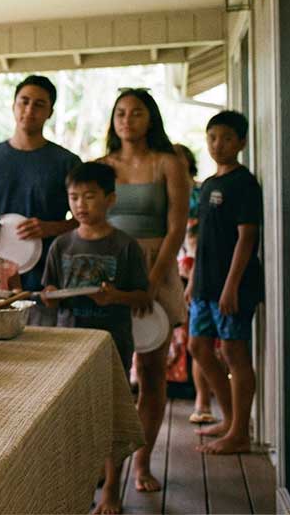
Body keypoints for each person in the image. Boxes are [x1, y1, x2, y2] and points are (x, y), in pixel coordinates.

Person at [41, 162, 151, 515]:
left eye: (90, 196)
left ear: (110, 199)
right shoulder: (61, 245)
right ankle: (80, 487)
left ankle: (112, 490)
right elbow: (49, 290)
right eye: (74, 197)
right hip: (68, 344)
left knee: (110, 417)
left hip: (112, 343)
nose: (81, 204)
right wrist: (49, 295)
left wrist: (115, 296)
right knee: (74, 418)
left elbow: (143, 297)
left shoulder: (125, 245)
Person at [97, 88, 190, 493]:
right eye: (120, 112)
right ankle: (109, 470)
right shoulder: (101, 166)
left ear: (150, 118)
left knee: (152, 373)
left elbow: (177, 227)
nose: (127, 120)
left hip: (158, 267)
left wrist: (152, 279)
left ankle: (143, 462)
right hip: (111, 268)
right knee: (112, 375)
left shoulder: (169, 162)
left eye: (136, 112)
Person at [0, 75, 80, 325]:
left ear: (50, 112)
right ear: (13, 105)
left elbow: (85, 222)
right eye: (24, 101)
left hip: (46, 284)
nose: (29, 110)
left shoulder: (67, 163)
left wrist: (51, 227)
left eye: (39, 104)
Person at [186, 110, 264, 454]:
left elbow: (247, 238)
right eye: (213, 137)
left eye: (227, 138)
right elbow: (205, 240)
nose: (218, 145)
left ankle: (239, 434)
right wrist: (192, 281)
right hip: (204, 285)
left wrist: (231, 286)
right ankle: (231, 420)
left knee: (234, 352)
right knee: (198, 347)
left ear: (242, 143)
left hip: (234, 286)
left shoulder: (244, 184)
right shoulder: (208, 185)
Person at [174, 143, 219, 424]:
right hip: (173, 268)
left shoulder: (201, 193)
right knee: (185, 339)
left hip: (199, 270)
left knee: (201, 340)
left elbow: (203, 240)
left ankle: (203, 400)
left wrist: (193, 276)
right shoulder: (165, 193)